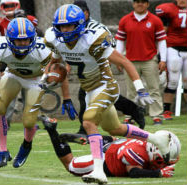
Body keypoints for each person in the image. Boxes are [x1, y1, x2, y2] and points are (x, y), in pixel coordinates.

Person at [43, 4, 171, 184]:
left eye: (69, 26)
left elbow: (125, 62)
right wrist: (46, 76)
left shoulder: (93, 39)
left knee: (88, 121)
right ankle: (156, 139)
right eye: (61, 26)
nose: (64, 30)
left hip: (105, 86)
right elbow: (56, 61)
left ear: (79, 24)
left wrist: (140, 89)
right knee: (114, 129)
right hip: (89, 89)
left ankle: (98, 171)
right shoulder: (54, 38)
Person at [0, 18, 52, 169]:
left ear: (33, 38)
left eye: (26, 40)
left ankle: (26, 146)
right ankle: (3, 151)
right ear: (9, 39)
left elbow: (55, 68)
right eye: (18, 41)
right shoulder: (0, 47)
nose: (22, 44)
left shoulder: (43, 48)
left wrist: (66, 97)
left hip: (35, 80)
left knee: (28, 121)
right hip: (13, 75)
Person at [73, 0, 146, 133]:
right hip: (84, 65)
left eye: (79, 13)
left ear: (86, 13)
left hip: (99, 65)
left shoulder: (97, 29)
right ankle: (134, 110)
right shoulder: (72, 27)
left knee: (89, 94)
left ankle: (84, 129)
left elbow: (112, 51)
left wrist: (140, 88)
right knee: (102, 96)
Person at [40, 115, 181, 179]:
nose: (165, 161)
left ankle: (89, 139)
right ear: (154, 149)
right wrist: (158, 173)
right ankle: (52, 129)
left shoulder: (147, 143)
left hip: (116, 144)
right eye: (163, 156)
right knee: (70, 165)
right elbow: (134, 172)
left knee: (112, 139)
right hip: (106, 160)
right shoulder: (139, 152)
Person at [0, 0, 39, 128]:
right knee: (8, 99)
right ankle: (5, 123)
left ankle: (31, 123)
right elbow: (3, 56)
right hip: (12, 70)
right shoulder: (4, 39)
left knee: (31, 99)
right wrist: (2, 69)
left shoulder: (37, 35)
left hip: (31, 70)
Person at [115, 0, 167, 125]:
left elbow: (161, 41)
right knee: (131, 90)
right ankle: (130, 115)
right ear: (133, 4)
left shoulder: (155, 20)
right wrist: (118, 58)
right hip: (130, 61)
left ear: (147, 4)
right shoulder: (125, 20)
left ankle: (156, 115)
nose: (140, 4)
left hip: (150, 60)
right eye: (137, 2)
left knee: (154, 88)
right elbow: (120, 41)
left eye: (143, 2)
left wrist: (163, 59)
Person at [155, 0, 187, 120]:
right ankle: (167, 110)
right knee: (173, 80)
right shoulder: (168, 9)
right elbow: (163, 32)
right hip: (174, 48)